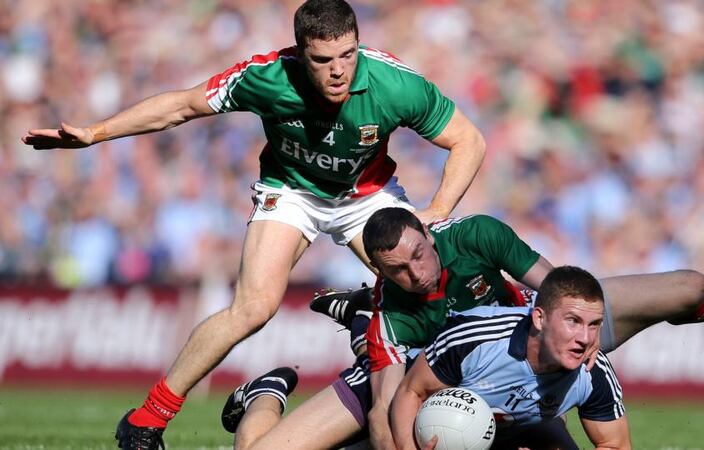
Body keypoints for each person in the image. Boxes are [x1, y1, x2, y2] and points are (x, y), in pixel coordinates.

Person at [21, 1, 486, 448]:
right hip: (291, 190)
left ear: (359, 45)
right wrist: (96, 133)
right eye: (323, 60)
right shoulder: (265, 77)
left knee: (428, 289)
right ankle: (145, 419)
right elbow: (181, 106)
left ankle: (378, 328)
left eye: (347, 55)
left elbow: (468, 139)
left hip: (365, 196)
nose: (339, 70)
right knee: (254, 307)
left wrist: (438, 208)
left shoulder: (394, 83)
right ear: (300, 53)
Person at [218, 207, 704, 449]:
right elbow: (392, 404)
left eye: (419, 256)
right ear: (380, 274)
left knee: (689, 285)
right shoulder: (393, 317)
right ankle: (265, 391)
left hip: (534, 333)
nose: (416, 272)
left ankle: (693, 310)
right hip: (438, 377)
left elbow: (554, 283)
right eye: (397, 270)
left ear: (428, 234)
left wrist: (578, 330)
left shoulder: (476, 234)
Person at [390, 265, 631, 450]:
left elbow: (615, 445)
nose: (586, 338)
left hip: (523, 428)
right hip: (422, 406)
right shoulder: (474, 338)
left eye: (594, 325)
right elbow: (411, 392)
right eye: (573, 321)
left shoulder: (593, 370)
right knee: (379, 428)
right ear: (539, 319)